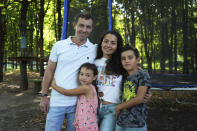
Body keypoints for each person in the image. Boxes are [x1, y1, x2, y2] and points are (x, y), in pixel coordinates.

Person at [40, 13, 96, 131]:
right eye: (81, 25)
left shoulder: (94, 49)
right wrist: (44, 96)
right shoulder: (59, 46)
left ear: (91, 29)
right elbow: (49, 70)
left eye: (88, 27)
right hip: (56, 102)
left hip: (78, 105)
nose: (84, 30)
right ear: (75, 25)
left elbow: (113, 55)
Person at [51, 63, 99, 131]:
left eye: (88, 75)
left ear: (94, 77)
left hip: (87, 126)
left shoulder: (86, 88)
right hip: (86, 124)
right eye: (81, 74)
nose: (84, 77)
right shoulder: (91, 87)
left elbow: (67, 92)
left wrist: (53, 86)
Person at [115, 45, 151, 131]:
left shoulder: (142, 75)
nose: (126, 61)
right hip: (121, 121)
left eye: (130, 58)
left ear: (138, 60)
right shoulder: (124, 76)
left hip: (136, 123)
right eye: (123, 59)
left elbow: (139, 99)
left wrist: (119, 107)